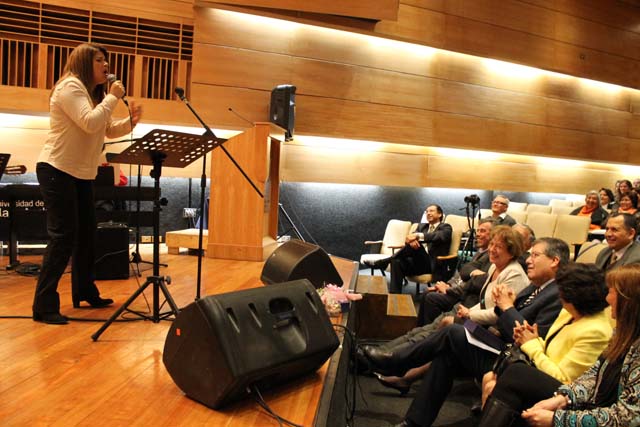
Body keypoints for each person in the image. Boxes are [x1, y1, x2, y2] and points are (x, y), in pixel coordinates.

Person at [370, 238, 568, 427]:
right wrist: (499, 309)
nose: (529, 260)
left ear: (554, 261)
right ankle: (414, 420)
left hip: (515, 358)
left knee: (453, 331)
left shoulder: (557, 294)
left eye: (535, 255)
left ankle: (396, 362)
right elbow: (498, 309)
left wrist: (506, 307)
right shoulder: (535, 287)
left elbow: (532, 337)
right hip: (495, 337)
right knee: (447, 352)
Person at [32, 42, 142, 325]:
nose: (106, 65)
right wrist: (114, 97)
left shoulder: (92, 95)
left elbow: (105, 129)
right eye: (99, 60)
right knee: (63, 237)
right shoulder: (70, 87)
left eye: (106, 60)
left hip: (81, 173)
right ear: (83, 62)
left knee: (87, 236)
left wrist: (130, 123)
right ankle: (43, 305)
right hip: (57, 169)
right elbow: (89, 122)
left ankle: (85, 292)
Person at [477, 263, 613, 426]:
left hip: (567, 394)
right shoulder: (569, 312)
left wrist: (531, 344)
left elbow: (564, 379)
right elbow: (551, 350)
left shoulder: (596, 331)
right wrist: (531, 338)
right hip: (544, 372)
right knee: (489, 378)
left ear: (572, 296)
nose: (558, 294)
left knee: (505, 378)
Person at [519, 264, 640, 427]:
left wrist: (558, 419)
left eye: (612, 292)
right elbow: (594, 375)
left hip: (601, 417)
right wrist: (564, 398)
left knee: (517, 376)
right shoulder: (620, 333)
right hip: (592, 408)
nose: (607, 299)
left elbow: (630, 417)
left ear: (628, 301)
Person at [388, 204, 452, 294]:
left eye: (431, 211)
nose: (428, 213)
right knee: (396, 261)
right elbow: (409, 238)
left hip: (432, 264)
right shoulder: (422, 227)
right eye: (427, 212)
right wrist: (411, 241)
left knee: (418, 247)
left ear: (440, 214)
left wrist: (418, 236)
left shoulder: (446, 227)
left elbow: (438, 236)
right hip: (417, 263)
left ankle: (387, 260)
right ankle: (394, 295)